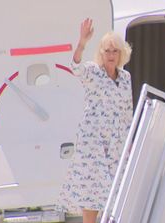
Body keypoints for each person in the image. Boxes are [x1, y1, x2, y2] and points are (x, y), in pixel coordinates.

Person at [57, 18, 133, 223]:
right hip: (94, 142)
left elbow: (128, 111)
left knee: (116, 191)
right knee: (92, 193)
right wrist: (82, 42)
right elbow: (75, 66)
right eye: (107, 51)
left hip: (117, 142)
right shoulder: (93, 71)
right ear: (101, 53)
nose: (110, 55)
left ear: (121, 54)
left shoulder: (126, 77)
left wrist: (129, 141)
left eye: (115, 51)